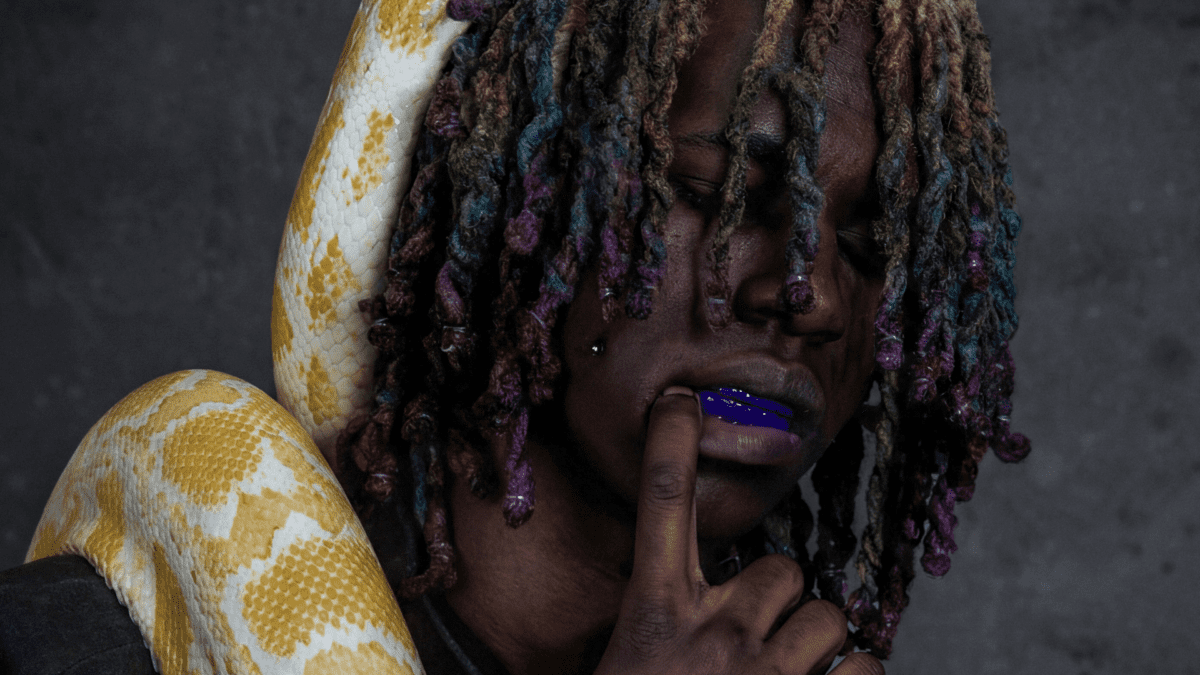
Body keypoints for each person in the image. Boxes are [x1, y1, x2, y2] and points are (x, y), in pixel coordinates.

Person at [0, 0, 1028, 672]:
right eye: (718, 197)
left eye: (874, 247)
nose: (814, 296)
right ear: (513, 211)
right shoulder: (66, 648)